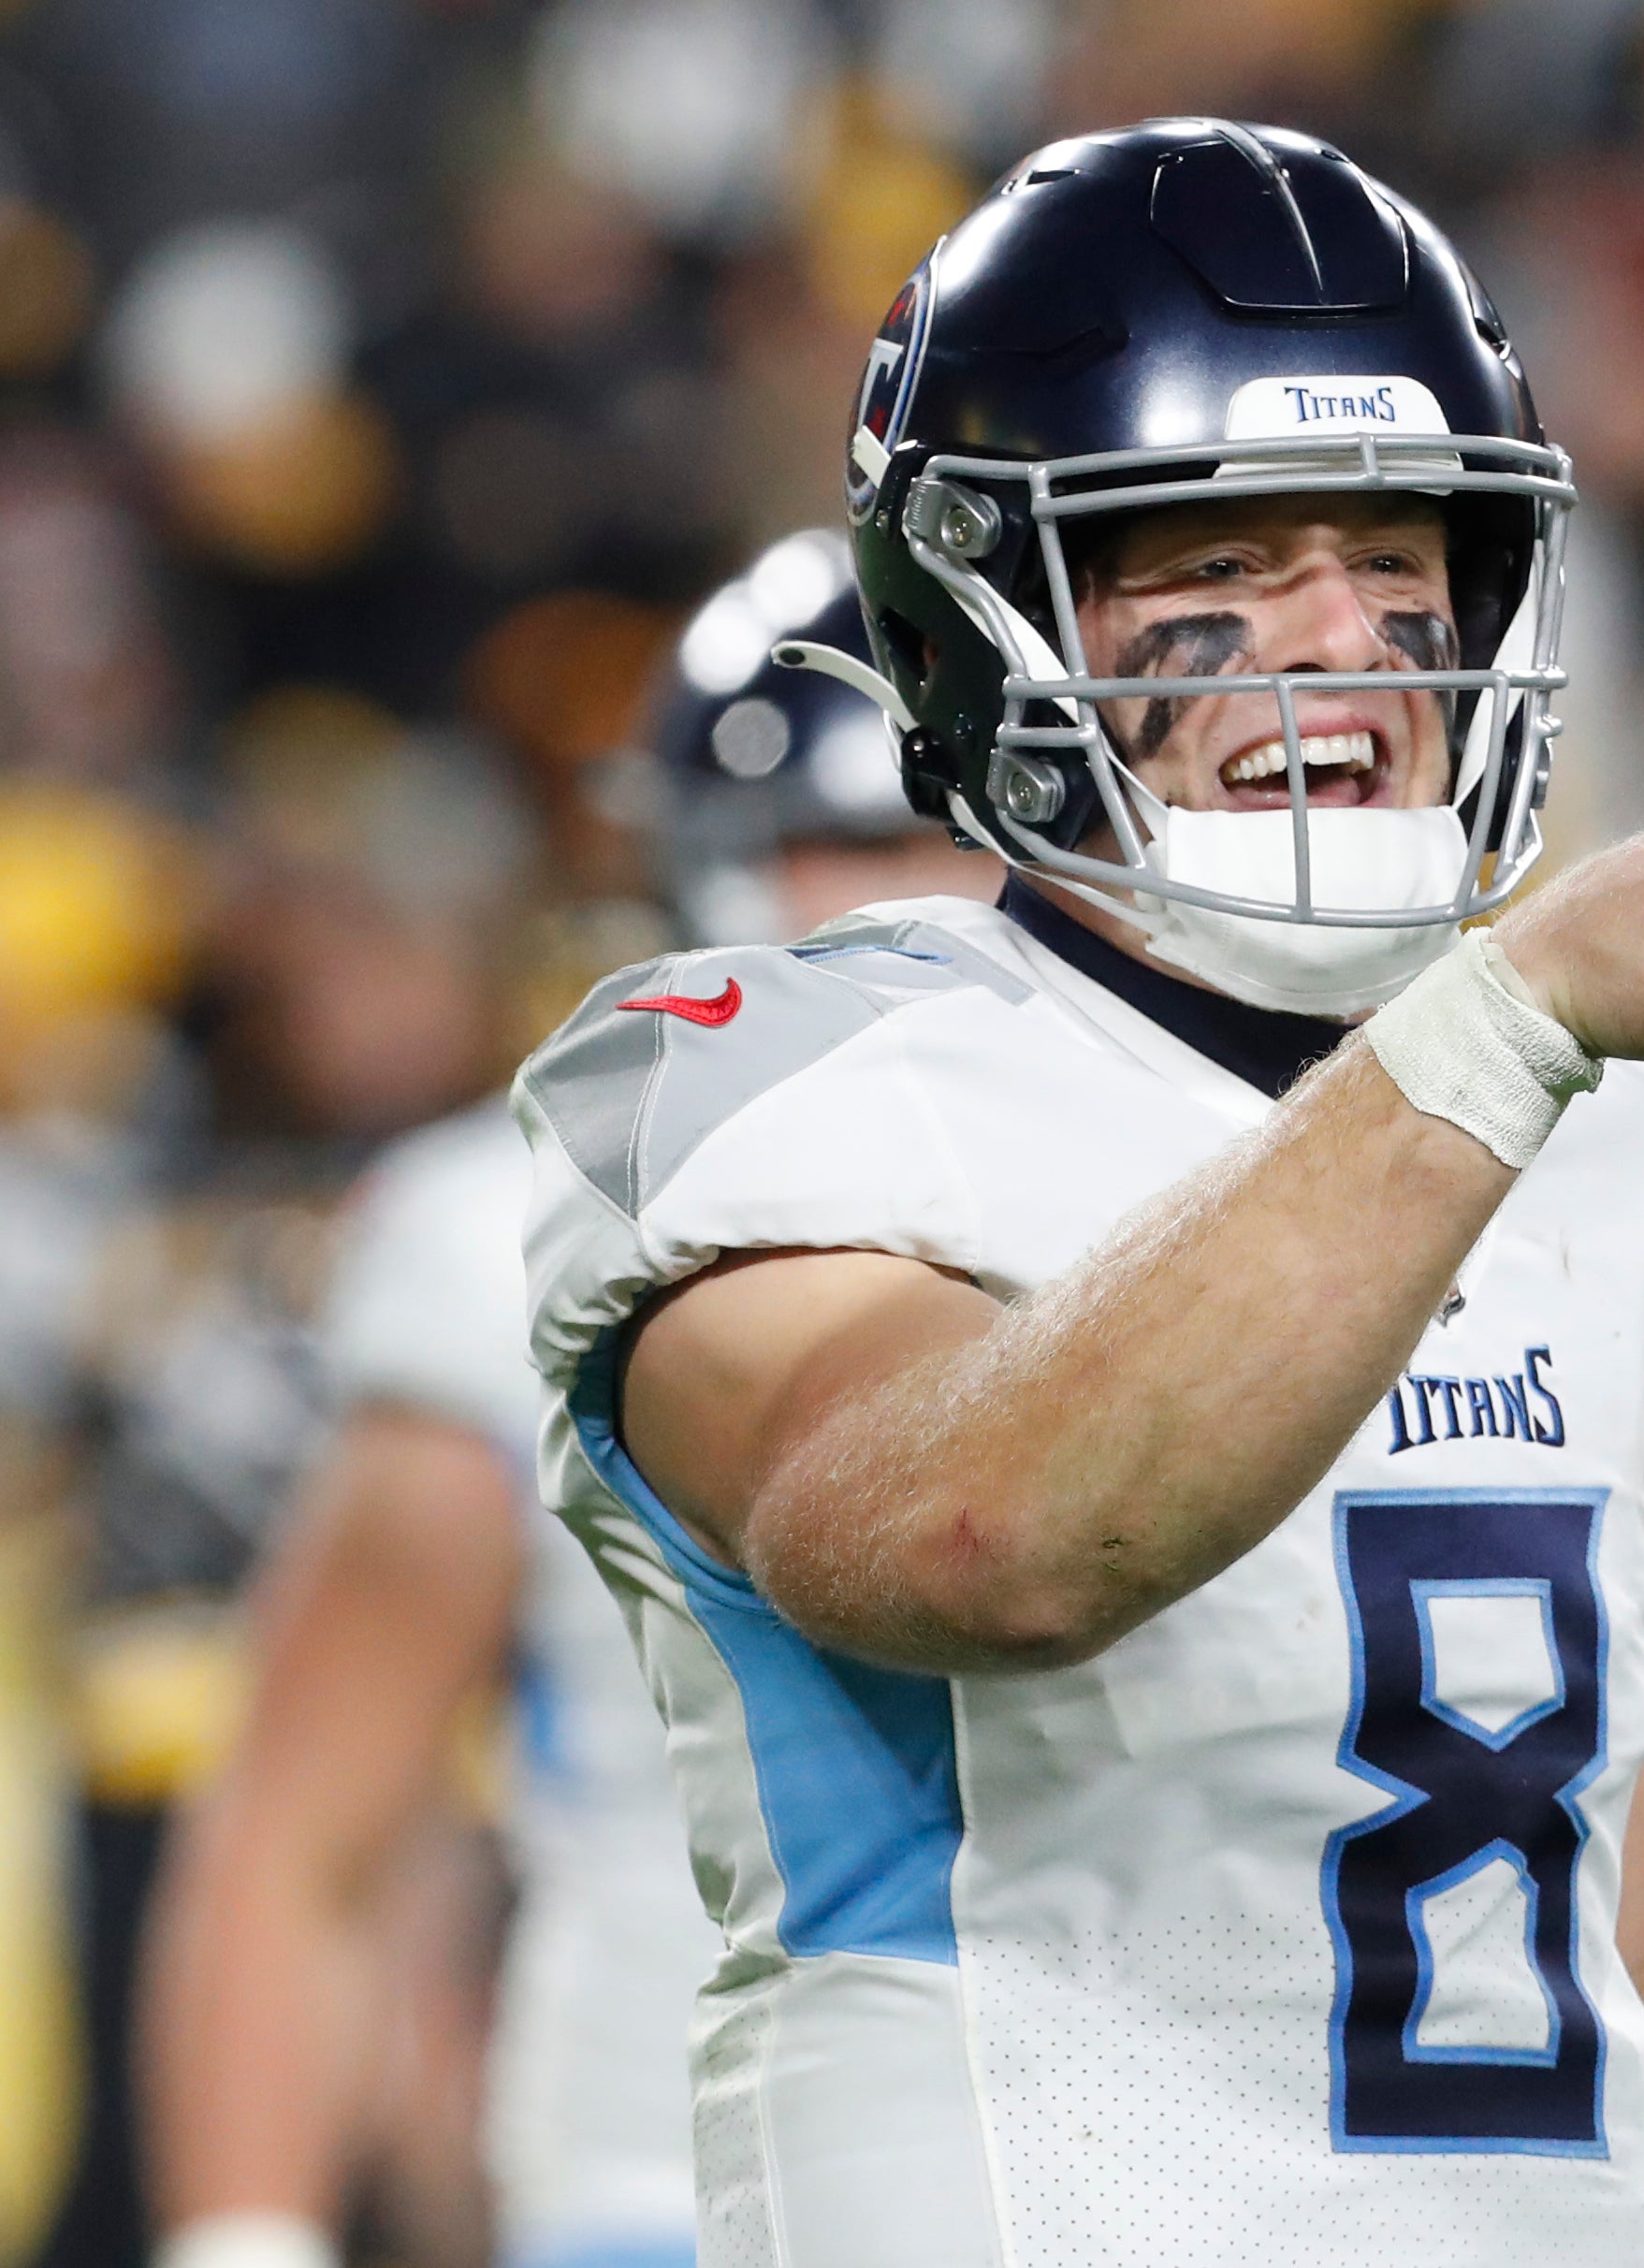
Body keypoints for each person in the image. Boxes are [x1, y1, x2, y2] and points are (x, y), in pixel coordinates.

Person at [510, 119, 1644, 2268]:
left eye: (1405, 557)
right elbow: (981, 1535)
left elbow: (1607, 1981)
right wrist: (1496, 1031)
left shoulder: (1610, 1124)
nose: (1354, 640)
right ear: (987, 622)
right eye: (1223, 566)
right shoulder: (771, 1077)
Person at [139, 536, 995, 2268]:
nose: (888, 896)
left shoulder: (1228, 1197)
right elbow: (307, 1835)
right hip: (670, 2192)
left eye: (937, 828)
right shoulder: (507, 1225)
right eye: (820, 839)